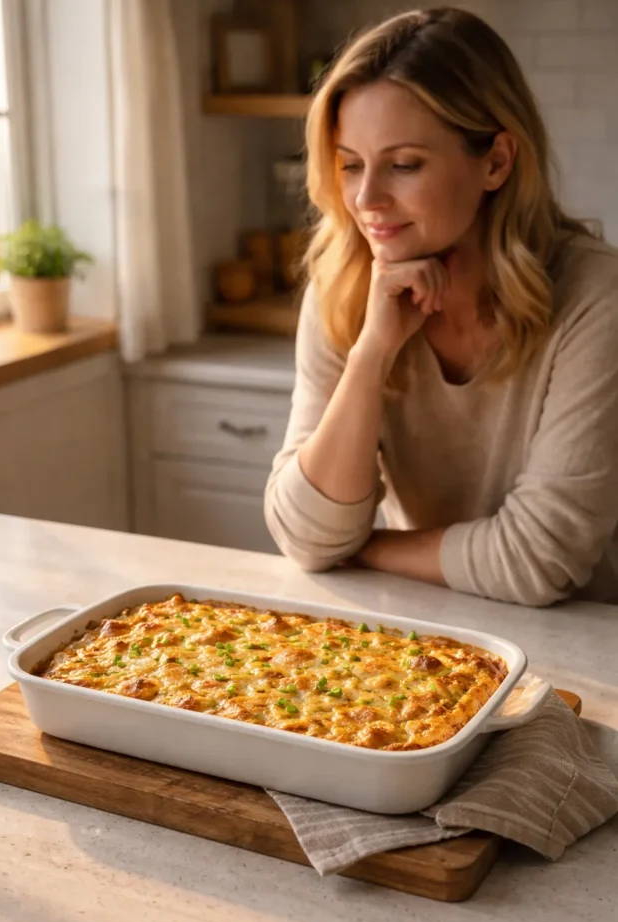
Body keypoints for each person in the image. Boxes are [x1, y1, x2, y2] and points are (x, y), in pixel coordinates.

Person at [264, 6, 618, 607]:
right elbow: (303, 534)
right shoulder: (344, 285)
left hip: (587, 651)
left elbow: (538, 558)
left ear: (496, 162)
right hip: (423, 638)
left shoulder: (596, 297)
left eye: (404, 165)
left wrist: (363, 549)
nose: (367, 199)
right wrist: (372, 353)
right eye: (350, 165)